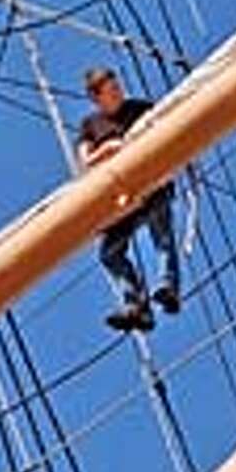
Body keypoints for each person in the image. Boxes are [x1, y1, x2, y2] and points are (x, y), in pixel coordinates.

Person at [77, 65, 180, 332]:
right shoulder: (91, 125)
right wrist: (111, 147)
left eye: (118, 87)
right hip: (120, 195)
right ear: (97, 97)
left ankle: (169, 287)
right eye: (111, 90)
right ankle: (137, 306)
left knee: (162, 234)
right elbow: (86, 162)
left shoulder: (141, 109)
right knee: (110, 253)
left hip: (150, 181)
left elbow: (165, 125)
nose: (118, 93)